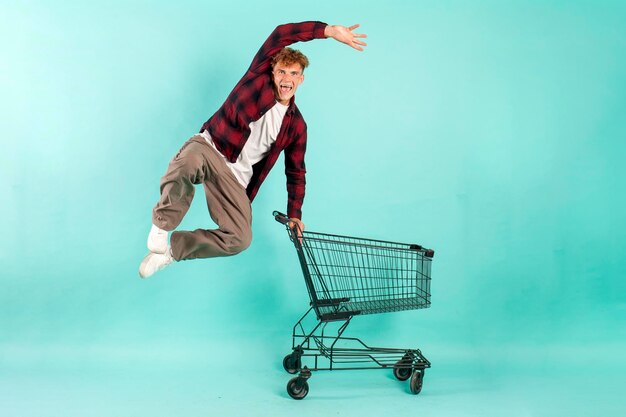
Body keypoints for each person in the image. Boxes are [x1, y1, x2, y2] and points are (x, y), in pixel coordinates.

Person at [139, 21, 367, 278]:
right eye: (282, 72)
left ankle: (170, 253)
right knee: (188, 161)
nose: (286, 79)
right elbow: (282, 34)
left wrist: (295, 214)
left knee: (240, 238)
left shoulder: (296, 126)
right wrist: (329, 31)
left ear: (301, 79)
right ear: (272, 72)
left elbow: (296, 173)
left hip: (236, 180)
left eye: (293, 74)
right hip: (211, 148)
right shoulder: (256, 76)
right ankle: (161, 227)